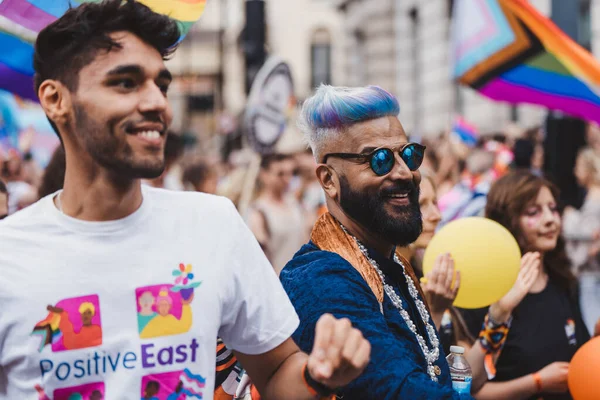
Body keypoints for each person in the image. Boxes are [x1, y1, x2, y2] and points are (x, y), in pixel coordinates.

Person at [0, 2, 370, 399]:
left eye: (161, 85)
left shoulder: (212, 224)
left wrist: (319, 372)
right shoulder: (9, 256)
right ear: (56, 100)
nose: (157, 103)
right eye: (125, 83)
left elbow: (279, 370)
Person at [280, 84, 471, 399]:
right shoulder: (319, 278)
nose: (404, 173)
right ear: (328, 179)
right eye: (379, 160)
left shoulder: (391, 263)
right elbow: (400, 391)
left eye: (408, 154)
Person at [403, 173, 541, 393]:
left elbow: (469, 381)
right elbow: (404, 378)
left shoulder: (432, 276)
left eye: (435, 203)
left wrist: (499, 313)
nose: (437, 215)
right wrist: (435, 313)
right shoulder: (382, 286)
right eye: (421, 205)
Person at [461, 171, 591, 400]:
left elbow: (580, 354)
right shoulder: (485, 294)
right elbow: (469, 388)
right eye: (534, 212)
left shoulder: (563, 280)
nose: (550, 219)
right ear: (507, 221)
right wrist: (536, 383)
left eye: (553, 208)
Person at [247, 154, 308, 274]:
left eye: (290, 173)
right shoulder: (259, 212)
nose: (287, 179)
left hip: (303, 278)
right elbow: (262, 259)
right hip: (279, 283)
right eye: (280, 174)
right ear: (264, 175)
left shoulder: (296, 204)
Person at [563, 147, 600, 334]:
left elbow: (591, 237)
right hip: (591, 272)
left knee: (593, 324)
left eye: (578, 166)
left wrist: (571, 219)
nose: (575, 172)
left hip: (590, 273)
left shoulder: (594, 198)